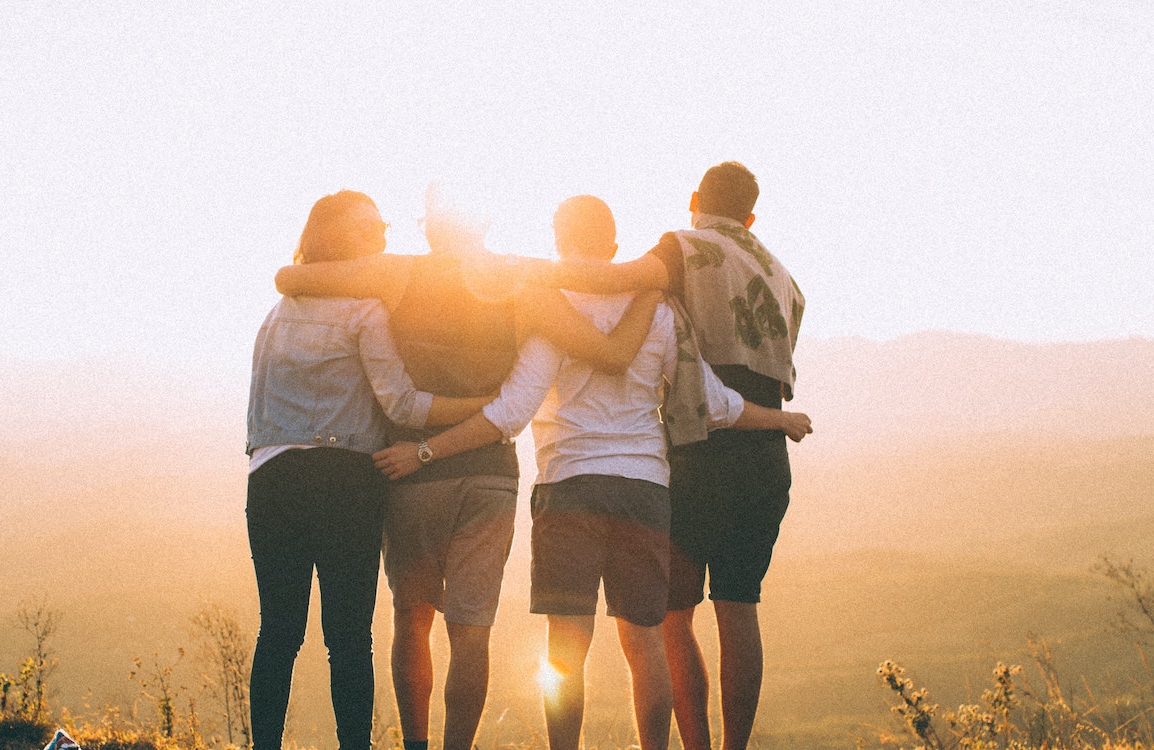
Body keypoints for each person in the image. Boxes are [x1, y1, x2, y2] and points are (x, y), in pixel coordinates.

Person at [373, 195, 811, 750]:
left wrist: (427, 451)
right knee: (645, 641)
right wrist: (780, 418)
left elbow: (510, 412)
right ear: (612, 243)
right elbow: (715, 402)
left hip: (569, 487)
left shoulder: (551, 308)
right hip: (645, 489)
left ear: (559, 242)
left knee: (566, 648)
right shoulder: (659, 309)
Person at [274, 184, 659, 750]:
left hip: (411, 471)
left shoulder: (397, 273)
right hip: (490, 476)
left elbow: (290, 278)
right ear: (484, 223)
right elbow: (607, 349)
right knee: (471, 630)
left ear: (432, 225)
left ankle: (417, 745)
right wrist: (652, 282)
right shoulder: (522, 280)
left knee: (413, 618)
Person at [520, 164, 805, 750]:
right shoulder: (784, 277)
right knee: (740, 607)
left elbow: (614, 279)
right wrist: (779, 419)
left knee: (671, 618)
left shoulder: (684, 248)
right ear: (751, 216)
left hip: (696, 449)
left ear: (696, 199)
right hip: (763, 454)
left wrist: (512, 272)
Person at [244, 190, 496, 750]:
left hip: (270, 479)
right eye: (367, 229)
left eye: (382, 224)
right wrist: (481, 407)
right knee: (349, 637)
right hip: (344, 481)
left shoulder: (275, 314)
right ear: (333, 237)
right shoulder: (364, 310)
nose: (381, 235)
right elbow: (403, 406)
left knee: (278, 631)